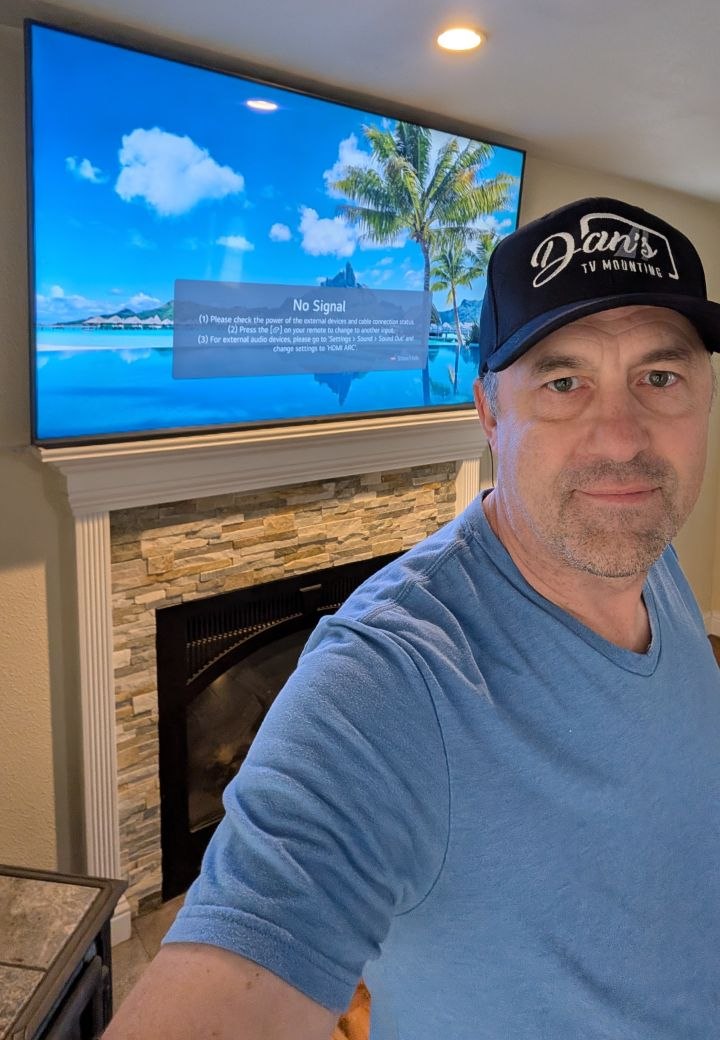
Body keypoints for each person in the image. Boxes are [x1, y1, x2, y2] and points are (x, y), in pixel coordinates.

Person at [106, 196, 720, 1039]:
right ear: (489, 413)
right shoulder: (386, 681)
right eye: (563, 381)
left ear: (707, 395)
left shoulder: (650, 550)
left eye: (660, 377)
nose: (621, 438)